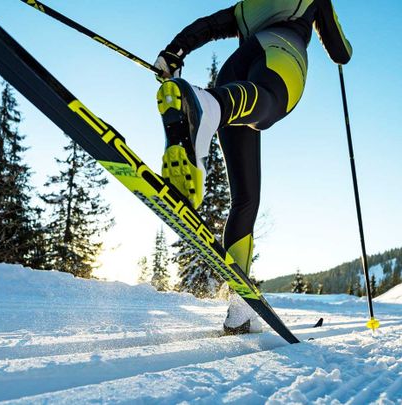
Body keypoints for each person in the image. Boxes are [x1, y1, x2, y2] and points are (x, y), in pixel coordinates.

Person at [152, 0, 352, 334]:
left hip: (234, 71)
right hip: (281, 53)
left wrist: (173, 52)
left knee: (245, 198)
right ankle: (207, 106)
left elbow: (208, 25)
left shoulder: (246, 7)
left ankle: (239, 311)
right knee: (273, 101)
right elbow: (340, 50)